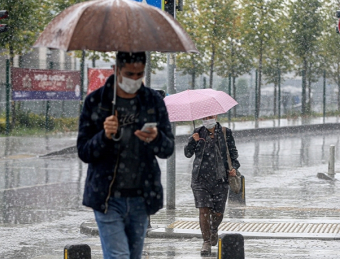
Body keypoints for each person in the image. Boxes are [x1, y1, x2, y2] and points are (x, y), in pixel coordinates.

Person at [77, 51, 174, 259]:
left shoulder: (153, 101)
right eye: (130, 74)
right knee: (118, 256)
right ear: (117, 70)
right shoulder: (96, 102)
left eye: (140, 75)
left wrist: (156, 137)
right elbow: (84, 151)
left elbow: (168, 149)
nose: (135, 80)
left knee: (132, 256)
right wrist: (104, 136)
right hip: (107, 197)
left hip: (141, 196)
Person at [184, 115, 240, 256]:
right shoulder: (197, 132)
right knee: (203, 210)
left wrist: (233, 168)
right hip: (200, 179)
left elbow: (233, 155)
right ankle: (206, 242)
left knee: (218, 212)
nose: (207, 119)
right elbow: (187, 153)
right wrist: (192, 140)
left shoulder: (225, 132)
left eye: (210, 117)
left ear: (215, 116)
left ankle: (213, 229)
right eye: (205, 117)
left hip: (220, 179)